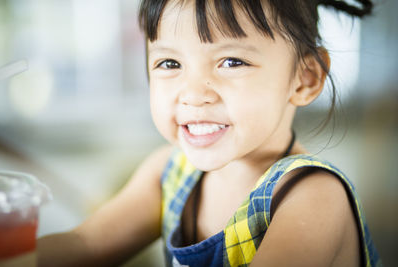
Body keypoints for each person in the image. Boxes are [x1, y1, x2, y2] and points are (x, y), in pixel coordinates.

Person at [37, 0, 382, 266]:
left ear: (305, 78)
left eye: (231, 61)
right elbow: (84, 245)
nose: (193, 93)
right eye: (169, 64)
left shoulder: (312, 198)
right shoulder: (169, 173)